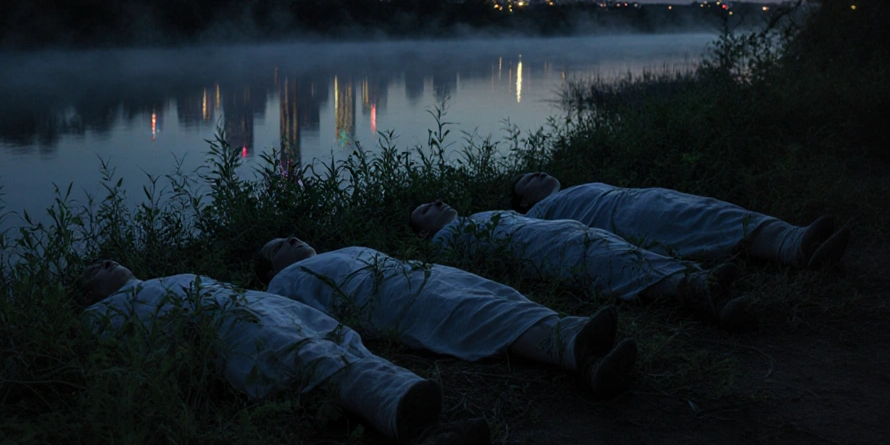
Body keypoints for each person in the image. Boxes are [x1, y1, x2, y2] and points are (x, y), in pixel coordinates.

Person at [79, 260, 490, 445]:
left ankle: (417, 418)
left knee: (338, 347)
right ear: (90, 294)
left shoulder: (165, 278)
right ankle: (416, 431)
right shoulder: (105, 312)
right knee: (315, 360)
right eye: (94, 269)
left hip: (264, 312)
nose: (105, 262)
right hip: (236, 330)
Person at [254, 238, 638, 396]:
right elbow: (306, 319)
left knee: (494, 295)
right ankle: (578, 355)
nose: (291, 240)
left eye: (291, 236)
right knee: (473, 315)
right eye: (279, 246)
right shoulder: (281, 286)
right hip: (382, 294)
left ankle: (573, 334)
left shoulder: (341, 249)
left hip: (416, 272)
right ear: (271, 270)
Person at [409, 200, 751, 331]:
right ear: (426, 233)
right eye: (425, 210)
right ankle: (693, 289)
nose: (436, 203)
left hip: (557, 233)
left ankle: (695, 277)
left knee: (616, 249)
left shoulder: (477, 215)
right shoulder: (445, 241)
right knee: (609, 264)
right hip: (544, 249)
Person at [511, 172, 851, 270]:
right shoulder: (539, 214)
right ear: (526, 201)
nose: (535, 172)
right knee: (701, 221)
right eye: (526, 178)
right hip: (623, 217)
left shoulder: (570, 190)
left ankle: (794, 238)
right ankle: (793, 248)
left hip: (637, 198)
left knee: (711, 209)